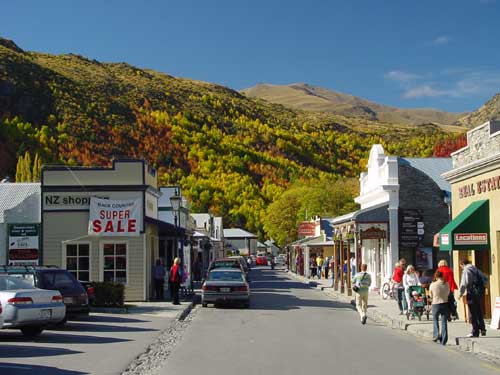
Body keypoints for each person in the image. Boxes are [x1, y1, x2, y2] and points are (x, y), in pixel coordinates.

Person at [459, 259, 487, 337]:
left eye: (461, 266)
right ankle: (483, 329)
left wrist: (460, 294)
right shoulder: (475, 269)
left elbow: (464, 283)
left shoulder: (466, 270)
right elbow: (485, 278)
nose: (461, 268)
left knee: (472, 312)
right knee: (478, 311)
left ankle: (475, 331)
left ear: (463, 264)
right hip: (479, 292)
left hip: (471, 293)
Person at [430, 270, 450, 345]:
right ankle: (444, 339)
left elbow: (431, 295)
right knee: (444, 322)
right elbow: (448, 293)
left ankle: (436, 335)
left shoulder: (433, 284)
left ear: (435, 276)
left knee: (435, 320)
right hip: (445, 303)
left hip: (436, 303)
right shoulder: (446, 283)